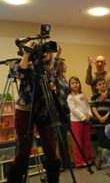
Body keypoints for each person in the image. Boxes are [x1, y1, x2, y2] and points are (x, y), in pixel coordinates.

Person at [7, 41, 60, 183]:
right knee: (24, 149)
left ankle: (53, 179)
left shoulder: (49, 69)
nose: (46, 53)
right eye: (43, 51)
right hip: (25, 110)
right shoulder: (27, 64)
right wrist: (27, 52)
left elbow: (54, 74)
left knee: (50, 147)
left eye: (48, 51)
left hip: (44, 110)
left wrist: (56, 54)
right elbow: (20, 73)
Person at [67, 76, 92, 168]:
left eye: (76, 82)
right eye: (72, 83)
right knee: (78, 142)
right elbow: (73, 109)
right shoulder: (70, 97)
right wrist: (82, 117)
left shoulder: (83, 94)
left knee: (86, 141)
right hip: (76, 121)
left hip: (87, 120)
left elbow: (87, 106)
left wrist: (89, 115)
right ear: (69, 85)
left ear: (79, 84)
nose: (75, 84)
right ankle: (79, 162)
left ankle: (88, 160)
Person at [90, 78, 110, 170]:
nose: (102, 85)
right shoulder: (94, 97)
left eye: (103, 83)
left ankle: (109, 161)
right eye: (99, 84)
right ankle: (99, 160)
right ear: (96, 87)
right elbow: (93, 107)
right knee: (102, 141)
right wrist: (100, 118)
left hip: (108, 122)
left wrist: (106, 117)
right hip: (98, 123)